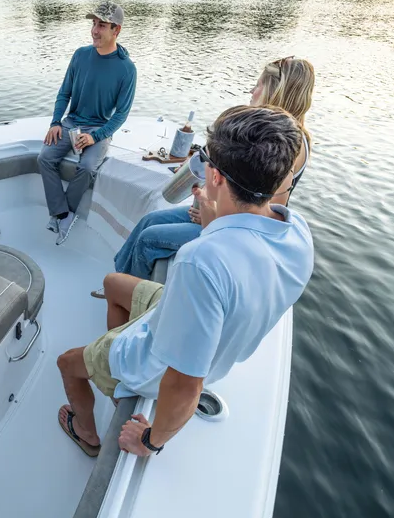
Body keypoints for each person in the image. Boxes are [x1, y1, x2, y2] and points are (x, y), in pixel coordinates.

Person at [55, 106, 314, 458]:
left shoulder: (201, 260)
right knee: (114, 283)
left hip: (148, 362)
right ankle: (114, 385)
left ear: (216, 177)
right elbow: (239, 264)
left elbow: (185, 384)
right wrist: (213, 226)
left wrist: (150, 441)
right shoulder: (296, 231)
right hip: (179, 321)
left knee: (67, 363)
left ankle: (86, 431)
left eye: (205, 160)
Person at [93, 57, 314, 296]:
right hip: (220, 214)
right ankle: (120, 282)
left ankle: (131, 304)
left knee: (149, 239)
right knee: (150, 220)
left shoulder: (289, 146)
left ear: (274, 91)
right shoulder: (263, 133)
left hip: (236, 233)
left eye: (258, 84)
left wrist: (214, 215)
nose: (252, 90)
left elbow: (266, 215)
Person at [38, 1, 137, 245]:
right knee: (44, 158)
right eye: (93, 23)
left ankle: (65, 213)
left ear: (116, 30)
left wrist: (96, 136)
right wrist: (55, 122)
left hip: (99, 130)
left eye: (101, 25)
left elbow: (121, 114)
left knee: (88, 167)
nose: (94, 30)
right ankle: (62, 213)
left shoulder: (127, 69)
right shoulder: (80, 55)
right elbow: (64, 93)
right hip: (71, 123)